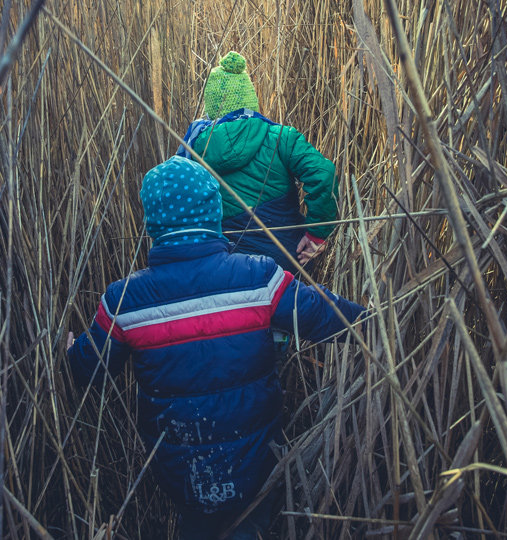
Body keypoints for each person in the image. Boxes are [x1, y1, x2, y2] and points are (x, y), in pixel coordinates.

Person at [66, 156, 365, 539]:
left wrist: (73, 351)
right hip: (258, 462)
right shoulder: (258, 277)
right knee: (252, 525)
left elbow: (88, 369)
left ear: (152, 224)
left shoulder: (124, 300)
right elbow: (320, 314)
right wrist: (370, 321)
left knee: (197, 526)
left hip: (182, 473)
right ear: (214, 212)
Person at [176, 51, 338, 274]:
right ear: (251, 99)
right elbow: (323, 173)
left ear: (211, 106)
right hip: (288, 262)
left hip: (228, 268)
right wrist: (317, 233)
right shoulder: (281, 137)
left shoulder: (193, 148)